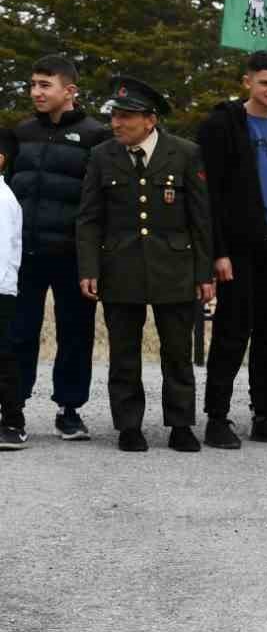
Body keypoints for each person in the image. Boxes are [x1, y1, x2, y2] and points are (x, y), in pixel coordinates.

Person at [76, 76, 214, 453]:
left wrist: (204, 273)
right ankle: (129, 426)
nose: (116, 123)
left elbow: (200, 219)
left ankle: (181, 425)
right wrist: (89, 268)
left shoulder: (184, 153)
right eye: (114, 115)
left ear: (150, 120)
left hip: (175, 267)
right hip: (119, 266)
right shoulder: (102, 155)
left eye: (126, 116)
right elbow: (89, 218)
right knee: (124, 353)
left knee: (177, 352)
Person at [195, 50, 267, 449]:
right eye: (265, 83)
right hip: (238, 244)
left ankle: (266, 415)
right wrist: (218, 252)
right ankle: (217, 417)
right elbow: (211, 194)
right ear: (248, 82)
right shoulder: (221, 125)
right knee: (232, 331)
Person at [6, 54, 109, 443]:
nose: (36, 92)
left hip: (72, 255)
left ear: (70, 91)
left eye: (45, 85)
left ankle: (70, 410)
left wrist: (95, 257)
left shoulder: (96, 136)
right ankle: (12, 411)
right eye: (32, 84)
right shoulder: (21, 133)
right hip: (25, 254)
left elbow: (101, 201)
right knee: (18, 334)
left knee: (75, 334)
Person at [0, 132, 23, 449]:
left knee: (3, 357)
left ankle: (13, 422)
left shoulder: (4, 200)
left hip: (1, 290)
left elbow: (4, 250)